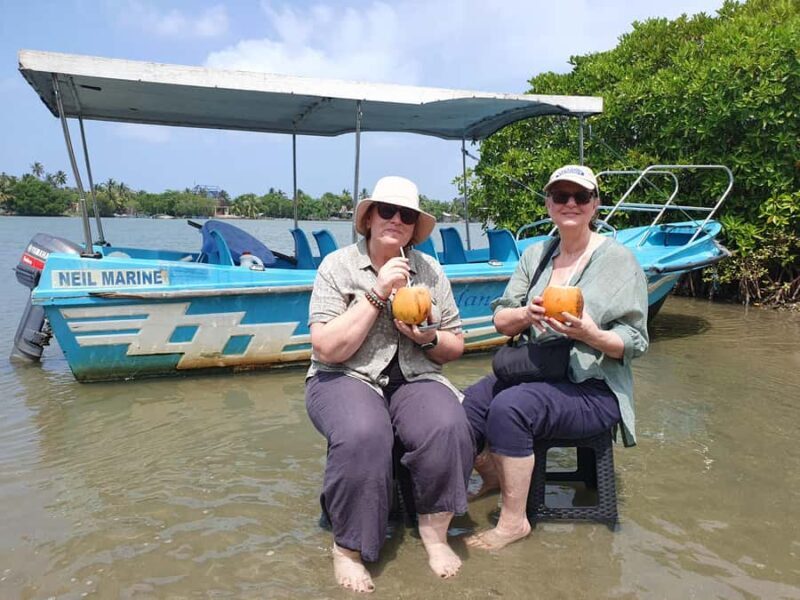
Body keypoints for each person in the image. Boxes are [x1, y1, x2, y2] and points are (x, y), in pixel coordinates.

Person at [462, 164, 649, 550]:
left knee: (510, 407)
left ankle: (514, 522)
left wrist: (592, 334)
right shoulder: (536, 254)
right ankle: (478, 484)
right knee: (469, 405)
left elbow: (635, 341)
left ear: (595, 205)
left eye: (580, 196)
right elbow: (501, 318)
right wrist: (524, 314)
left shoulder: (619, 261)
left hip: (594, 389)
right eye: (560, 196)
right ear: (548, 203)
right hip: (539, 370)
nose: (570, 203)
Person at [305, 175, 473, 593]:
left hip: (415, 375)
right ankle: (349, 548)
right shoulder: (338, 266)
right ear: (369, 218)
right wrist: (379, 293)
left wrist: (428, 337)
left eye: (407, 215)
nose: (396, 219)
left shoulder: (429, 271)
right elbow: (326, 347)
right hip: (344, 376)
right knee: (364, 433)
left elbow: (454, 345)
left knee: (448, 424)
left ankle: (434, 534)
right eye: (387, 211)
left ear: (415, 226)